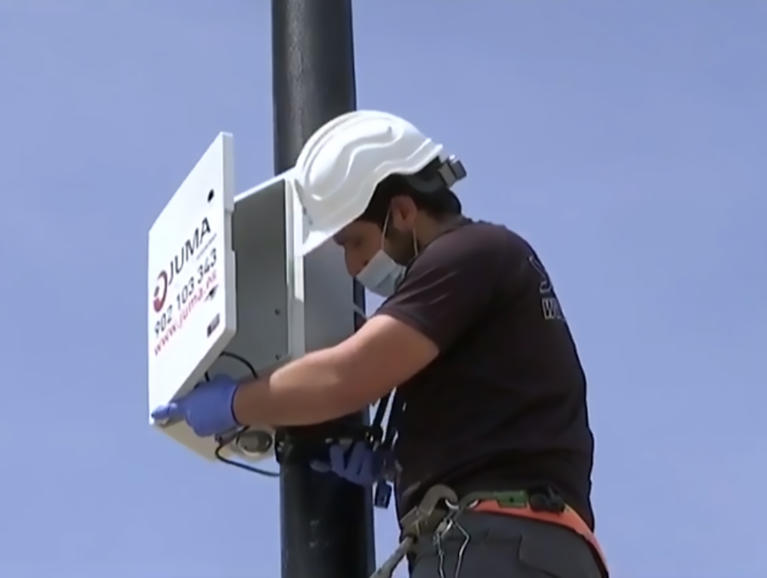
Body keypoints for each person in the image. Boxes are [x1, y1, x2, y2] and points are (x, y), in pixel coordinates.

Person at [152, 110, 608, 578]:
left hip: (496, 545)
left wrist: (235, 402)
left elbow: (346, 376)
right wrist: (399, 465)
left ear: (404, 212)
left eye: (355, 241)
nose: (352, 266)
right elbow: (497, 417)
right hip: (525, 546)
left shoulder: (465, 256)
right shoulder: (488, 266)